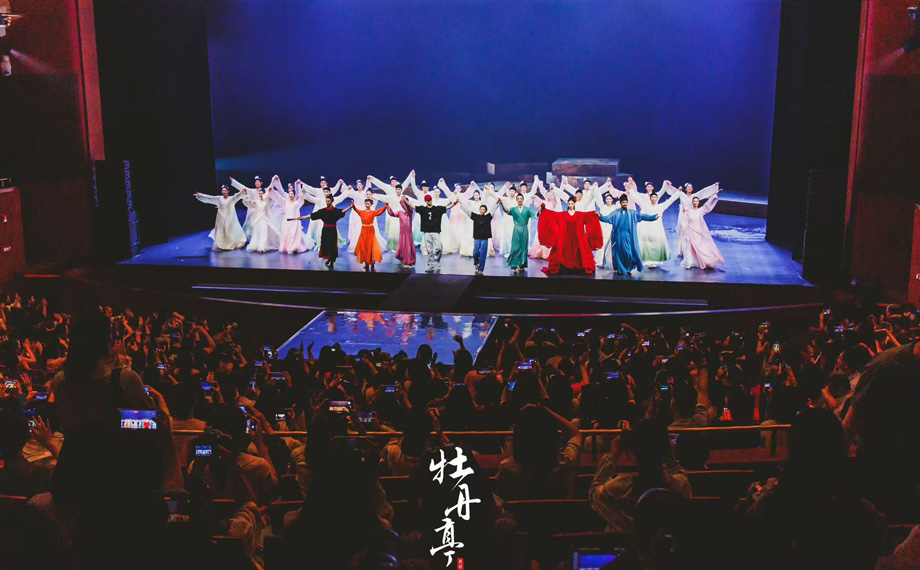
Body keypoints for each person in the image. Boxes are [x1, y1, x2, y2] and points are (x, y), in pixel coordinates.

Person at [588, 419, 692, 535]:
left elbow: (594, 494)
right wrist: (670, 457)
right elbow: (680, 475)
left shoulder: (617, 488)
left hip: (627, 544)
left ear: (633, 451)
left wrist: (613, 455)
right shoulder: (680, 486)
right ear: (666, 448)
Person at [537, 198, 603, 275]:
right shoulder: (563, 215)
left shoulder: (579, 214)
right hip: (566, 237)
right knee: (564, 252)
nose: (571, 205)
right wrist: (544, 210)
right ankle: (564, 267)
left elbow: (588, 215)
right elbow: (552, 214)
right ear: (567, 204)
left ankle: (578, 267)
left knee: (579, 251)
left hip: (577, 238)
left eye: (572, 204)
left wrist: (594, 213)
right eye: (569, 204)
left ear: (574, 204)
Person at [598, 194, 659, 274]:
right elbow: (607, 218)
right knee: (619, 253)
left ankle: (628, 268)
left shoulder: (632, 213)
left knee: (628, 253)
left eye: (626, 202)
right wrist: (600, 216)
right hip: (618, 236)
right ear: (620, 203)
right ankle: (620, 269)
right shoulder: (615, 213)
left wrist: (653, 217)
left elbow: (642, 216)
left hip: (628, 235)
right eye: (623, 202)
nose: (625, 204)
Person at [289, 196, 350, 268]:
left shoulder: (335, 211)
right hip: (325, 230)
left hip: (332, 230)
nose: (327, 203)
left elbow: (342, 211)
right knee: (326, 244)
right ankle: (329, 259)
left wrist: (350, 207)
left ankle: (332, 260)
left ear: (332, 201)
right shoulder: (323, 211)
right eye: (326, 201)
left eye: (328, 201)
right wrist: (303, 217)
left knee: (332, 245)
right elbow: (313, 215)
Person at [631, 180, 681, 268]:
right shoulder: (645, 205)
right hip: (647, 226)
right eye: (652, 197)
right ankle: (647, 259)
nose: (654, 199)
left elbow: (670, 200)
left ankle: (656, 260)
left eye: (655, 197)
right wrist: (630, 190)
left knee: (656, 243)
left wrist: (678, 192)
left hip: (657, 227)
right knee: (647, 243)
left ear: (657, 198)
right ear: (650, 198)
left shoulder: (661, 206)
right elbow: (637, 198)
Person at [664, 181, 719, 258]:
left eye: (691, 187)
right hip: (683, 216)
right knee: (683, 232)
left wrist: (714, 186)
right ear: (686, 189)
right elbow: (674, 191)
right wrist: (668, 186)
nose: (689, 188)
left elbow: (704, 191)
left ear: (692, 189)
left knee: (691, 232)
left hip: (691, 216)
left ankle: (691, 250)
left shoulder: (695, 196)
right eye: (688, 187)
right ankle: (682, 250)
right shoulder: (681, 194)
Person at [676, 189, 724, 270]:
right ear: (692, 202)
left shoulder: (701, 210)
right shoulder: (688, 211)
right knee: (689, 247)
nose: (695, 202)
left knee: (699, 247)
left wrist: (715, 194)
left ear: (698, 202)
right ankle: (689, 263)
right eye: (694, 201)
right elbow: (683, 204)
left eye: (697, 201)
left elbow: (708, 204)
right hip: (689, 231)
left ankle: (703, 260)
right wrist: (679, 192)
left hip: (698, 232)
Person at [193, 184, 247, 251]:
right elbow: (210, 197)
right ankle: (222, 244)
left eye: (225, 190)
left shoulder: (231, 199)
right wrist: (200, 195)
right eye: (223, 190)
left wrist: (242, 191)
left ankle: (230, 244)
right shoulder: (219, 198)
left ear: (228, 191)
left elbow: (237, 196)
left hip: (229, 218)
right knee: (221, 231)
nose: (224, 192)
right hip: (221, 218)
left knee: (229, 231)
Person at [417, 195, 460, 273]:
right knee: (429, 250)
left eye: (430, 199)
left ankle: (437, 260)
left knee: (438, 248)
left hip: (435, 231)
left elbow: (447, 208)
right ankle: (430, 265)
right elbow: (413, 206)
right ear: (425, 201)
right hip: (427, 232)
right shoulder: (423, 209)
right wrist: (405, 202)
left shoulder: (437, 209)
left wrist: (454, 204)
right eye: (428, 200)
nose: (430, 201)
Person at [499, 190, 538, 274]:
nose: (520, 200)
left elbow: (535, 215)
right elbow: (506, 211)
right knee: (516, 247)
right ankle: (515, 265)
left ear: (523, 199)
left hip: (524, 230)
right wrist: (502, 204)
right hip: (516, 230)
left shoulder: (527, 210)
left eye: (521, 198)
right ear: (516, 200)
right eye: (518, 199)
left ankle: (522, 264)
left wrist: (540, 211)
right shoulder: (514, 209)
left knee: (524, 247)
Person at [459, 198, 500, 274]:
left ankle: (481, 269)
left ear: (485, 210)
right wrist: (461, 205)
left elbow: (493, 210)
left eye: (483, 209)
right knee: (475, 253)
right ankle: (476, 262)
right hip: (477, 237)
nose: (481, 210)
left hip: (484, 238)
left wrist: (497, 203)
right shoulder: (475, 216)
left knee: (483, 254)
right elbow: (467, 212)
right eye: (480, 209)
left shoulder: (488, 217)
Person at [345, 180, 386, 255]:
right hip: (364, 218)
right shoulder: (364, 200)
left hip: (372, 218)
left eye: (369, 194)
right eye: (367, 194)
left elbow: (381, 198)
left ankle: (372, 246)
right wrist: (352, 190)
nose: (368, 195)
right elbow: (357, 197)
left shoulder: (375, 200)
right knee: (361, 231)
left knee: (373, 232)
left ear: (372, 194)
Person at [352, 198, 389, 271]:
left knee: (370, 246)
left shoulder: (372, 212)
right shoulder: (362, 212)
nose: (367, 205)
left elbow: (380, 211)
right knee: (364, 247)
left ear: (371, 204)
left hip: (370, 231)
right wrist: (353, 206)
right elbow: (356, 210)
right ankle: (366, 263)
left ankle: (372, 262)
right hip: (363, 231)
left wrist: (385, 207)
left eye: (368, 204)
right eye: (366, 204)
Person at [385, 184, 417, 268]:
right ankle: (403, 259)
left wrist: (405, 200)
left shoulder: (409, 213)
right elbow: (392, 214)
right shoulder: (400, 212)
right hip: (402, 233)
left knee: (408, 247)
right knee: (401, 247)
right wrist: (388, 208)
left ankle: (407, 262)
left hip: (408, 234)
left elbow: (410, 207)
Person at [244, 185, 284, 253]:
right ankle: (255, 245)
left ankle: (262, 247)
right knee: (256, 232)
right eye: (259, 193)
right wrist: (245, 194)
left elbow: (270, 201)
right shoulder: (256, 201)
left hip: (264, 219)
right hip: (257, 219)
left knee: (264, 232)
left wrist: (268, 192)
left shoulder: (267, 201)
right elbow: (249, 202)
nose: (260, 195)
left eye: (262, 193)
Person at [278, 181, 311, 254]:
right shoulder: (285, 202)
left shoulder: (297, 203)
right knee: (287, 234)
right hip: (286, 221)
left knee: (293, 234)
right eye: (289, 194)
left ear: (294, 195)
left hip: (294, 221)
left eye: (292, 194)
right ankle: (288, 247)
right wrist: (271, 192)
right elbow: (278, 198)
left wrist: (303, 193)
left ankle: (292, 248)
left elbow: (301, 199)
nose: (290, 195)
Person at [229, 175, 265, 239]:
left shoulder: (264, 191)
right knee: (249, 225)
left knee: (259, 225)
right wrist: (234, 181)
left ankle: (258, 238)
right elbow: (243, 187)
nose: (257, 183)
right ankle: (250, 238)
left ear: (261, 183)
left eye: (258, 182)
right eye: (256, 182)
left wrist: (275, 180)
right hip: (252, 210)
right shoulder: (252, 191)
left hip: (260, 210)